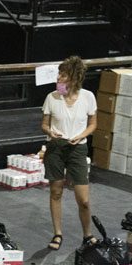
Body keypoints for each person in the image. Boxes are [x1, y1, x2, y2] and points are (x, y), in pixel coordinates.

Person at [41, 55, 98, 251]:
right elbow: (44, 124)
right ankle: (57, 233)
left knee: (83, 199)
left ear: (74, 78)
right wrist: (50, 132)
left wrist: (81, 135)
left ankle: (87, 234)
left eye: (63, 75)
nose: (58, 78)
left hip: (78, 148)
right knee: (56, 191)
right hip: (56, 147)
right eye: (59, 74)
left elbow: (93, 124)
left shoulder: (88, 97)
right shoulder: (52, 97)